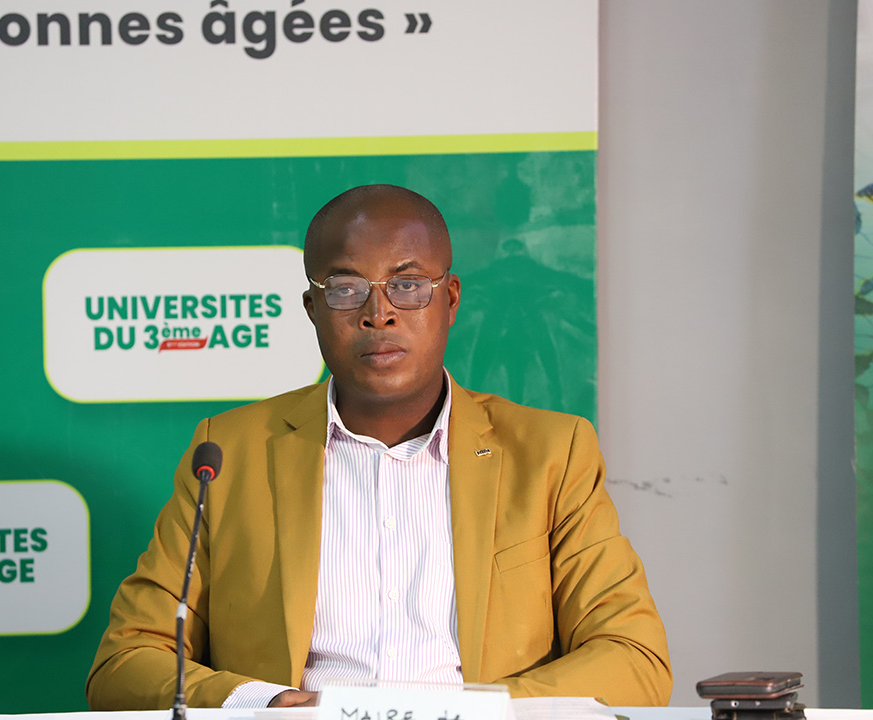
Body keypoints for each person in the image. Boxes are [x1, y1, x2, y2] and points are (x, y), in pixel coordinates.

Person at [86, 184, 672, 710]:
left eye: (408, 285)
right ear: (313, 310)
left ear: (451, 299)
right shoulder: (231, 452)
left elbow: (633, 658)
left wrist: (476, 712)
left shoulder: (549, 454)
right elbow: (125, 662)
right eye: (346, 289)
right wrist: (265, 705)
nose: (379, 313)